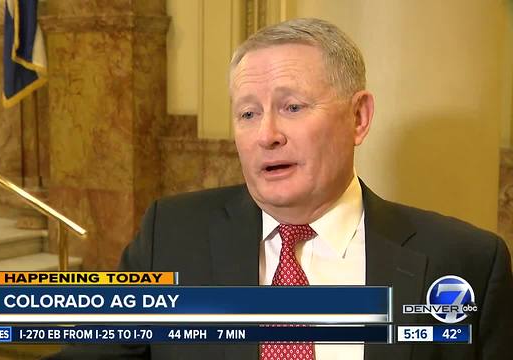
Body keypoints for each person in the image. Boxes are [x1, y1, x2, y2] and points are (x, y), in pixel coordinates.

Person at [51, 17, 513, 360]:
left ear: (358, 118)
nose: (266, 135)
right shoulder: (169, 236)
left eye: (292, 106)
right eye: (248, 114)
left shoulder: (466, 262)